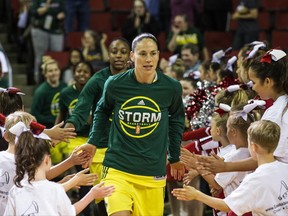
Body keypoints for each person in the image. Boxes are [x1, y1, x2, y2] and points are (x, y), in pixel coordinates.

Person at [80, 33, 185, 216]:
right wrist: (93, 141)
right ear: (132, 56)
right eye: (142, 53)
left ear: (159, 55)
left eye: (153, 53)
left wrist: (174, 156)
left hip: (152, 172)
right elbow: (102, 110)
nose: (148, 59)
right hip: (118, 169)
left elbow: (176, 121)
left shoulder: (171, 87)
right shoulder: (115, 84)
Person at [64, 38, 131, 215]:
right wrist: (68, 128)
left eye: (123, 51)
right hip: (102, 149)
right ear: (108, 55)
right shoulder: (96, 81)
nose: (118, 55)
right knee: (105, 200)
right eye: (114, 51)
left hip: (131, 148)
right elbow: (80, 110)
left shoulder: (138, 79)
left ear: (130, 56)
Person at [199, 49, 288, 174]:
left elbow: (264, 157)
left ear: (268, 82)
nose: (253, 87)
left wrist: (225, 166)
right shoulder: (279, 107)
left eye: (255, 82)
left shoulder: (275, 113)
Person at [172, 120, 288, 216]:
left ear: (253, 146)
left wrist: (196, 194)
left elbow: (227, 206)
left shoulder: (255, 180)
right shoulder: (285, 168)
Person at [3, 121, 115, 216]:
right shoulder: (55, 189)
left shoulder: (16, 190)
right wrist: (92, 194)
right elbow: (70, 212)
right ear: (47, 160)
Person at [30, 0, 65, 83]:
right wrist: (45, 7)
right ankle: (38, 80)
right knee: (40, 57)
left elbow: (64, 11)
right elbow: (33, 12)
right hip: (40, 30)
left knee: (57, 56)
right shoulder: (38, 1)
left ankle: (57, 81)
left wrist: (62, 15)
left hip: (56, 30)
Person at [31, 58, 67, 129]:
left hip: (64, 127)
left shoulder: (65, 86)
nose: (54, 73)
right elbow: (34, 114)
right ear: (45, 74)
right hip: (48, 128)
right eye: (50, 71)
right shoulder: (41, 91)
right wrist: (53, 119)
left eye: (56, 70)